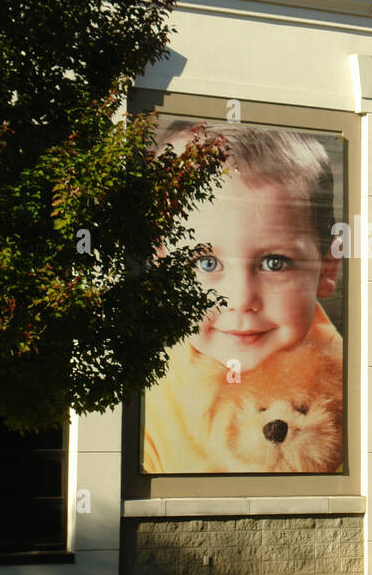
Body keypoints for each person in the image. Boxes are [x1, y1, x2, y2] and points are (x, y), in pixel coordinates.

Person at [142, 122, 343, 473]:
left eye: (274, 263)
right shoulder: (152, 393)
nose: (239, 299)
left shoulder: (344, 380)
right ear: (161, 267)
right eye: (206, 263)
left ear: (327, 269)